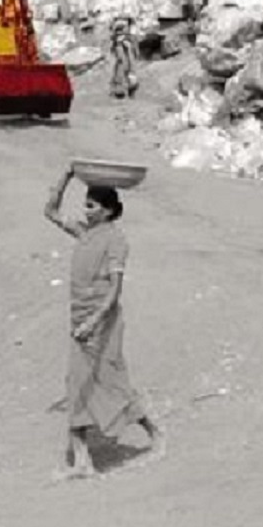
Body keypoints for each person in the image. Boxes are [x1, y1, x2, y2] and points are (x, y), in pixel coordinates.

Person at [45, 166, 161, 478]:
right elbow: (50, 211)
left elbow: (114, 291)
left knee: (111, 383)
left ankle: (152, 429)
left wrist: (93, 322)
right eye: (86, 204)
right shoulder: (84, 232)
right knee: (76, 384)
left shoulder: (116, 242)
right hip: (79, 320)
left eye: (91, 206)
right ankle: (83, 460)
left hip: (102, 324)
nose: (85, 209)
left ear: (108, 211)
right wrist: (66, 176)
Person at [109, 17, 138, 99]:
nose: (120, 31)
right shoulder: (118, 40)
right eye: (119, 30)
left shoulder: (128, 38)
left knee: (129, 68)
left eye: (121, 29)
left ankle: (130, 87)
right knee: (120, 68)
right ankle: (120, 89)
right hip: (121, 57)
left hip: (127, 56)